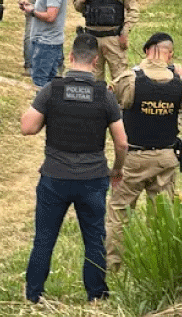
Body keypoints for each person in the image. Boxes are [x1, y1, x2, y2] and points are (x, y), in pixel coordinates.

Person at [21, 33, 128, 303]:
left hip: (55, 176)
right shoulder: (104, 95)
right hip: (92, 178)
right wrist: (116, 170)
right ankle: (96, 294)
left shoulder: (52, 90)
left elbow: (27, 127)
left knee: (44, 238)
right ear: (95, 61)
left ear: (70, 57)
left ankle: (34, 294)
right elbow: (122, 142)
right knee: (94, 238)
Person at [105, 32, 182, 272]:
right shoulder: (180, 84)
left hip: (133, 158)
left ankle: (114, 267)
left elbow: (107, 101)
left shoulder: (129, 79)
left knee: (120, 213)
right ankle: (158, 266)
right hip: (165, 158)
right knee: (162, 216)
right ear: (169, 54)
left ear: (146, 52)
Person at [73, 0, 139, 82]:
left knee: (120, 80)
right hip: (92, 39)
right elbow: (77, 6)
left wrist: (124, 32)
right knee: (93, 80)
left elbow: (133, 10)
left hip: (114, 39)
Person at [18, 0, 69, 88]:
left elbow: (51, 16)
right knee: (50, 85)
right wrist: (30, 6)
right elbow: (47, 8)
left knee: (40, 84)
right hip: (49, 43)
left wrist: (33, 11)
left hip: (46, 44)